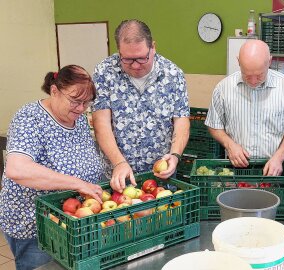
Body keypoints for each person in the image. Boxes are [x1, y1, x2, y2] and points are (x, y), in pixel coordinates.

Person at [0, 65, 104, 270]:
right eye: (75, 101)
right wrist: (78, 183)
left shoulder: (78, 117)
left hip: (71, 220)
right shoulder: (30, 118)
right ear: (54, 91)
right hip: (37, 227)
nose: (81, 108)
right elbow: (17, 169)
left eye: (86, 102)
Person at [92, 19, 190, 193]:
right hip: (118, 177)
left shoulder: (173, 75)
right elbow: (101, 124)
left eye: (142, 58)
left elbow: (181, 121)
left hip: (160, 178)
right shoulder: (104, 72)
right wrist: (119, 162)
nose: (136, 65)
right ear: (118, 51)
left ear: (153, 47)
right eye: (128, 60)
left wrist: (175, 156)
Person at [205, 40, 284, 176]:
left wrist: (279, 157)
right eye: (247, 75)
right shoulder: (223, 89)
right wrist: (230, 145)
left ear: (269, 61)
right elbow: (214, 124)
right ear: (238, 62)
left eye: (259, 75)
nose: (253, 81)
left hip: (277, 170)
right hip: (237, 171)